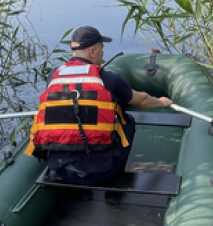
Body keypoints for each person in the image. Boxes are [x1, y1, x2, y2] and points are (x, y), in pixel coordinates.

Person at [26, 26, 172, 185]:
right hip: (102, 173)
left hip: (60, 170)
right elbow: (141, 101)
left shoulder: (53, 77)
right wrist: (161, 102)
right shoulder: (108, 79)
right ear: (92, 52)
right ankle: (119, 174)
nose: (103, 54)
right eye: (102, 49)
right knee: (127, 121)